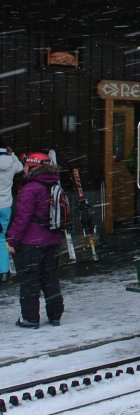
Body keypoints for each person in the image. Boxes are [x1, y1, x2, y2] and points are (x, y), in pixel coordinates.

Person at [6, 152, 64, 328]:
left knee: (30, 279)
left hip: (33, 242)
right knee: (50, 278)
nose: (23, 169)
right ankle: (55, 315)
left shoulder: (30, 189)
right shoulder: (55, 184)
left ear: (33, 167)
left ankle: (30, 318)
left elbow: (22, 218)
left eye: (25, 166)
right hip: (53, 239)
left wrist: (12, 240)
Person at [0, 139, 24, 284]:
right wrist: (13, 154)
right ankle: (3, 272)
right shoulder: (12, 164)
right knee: (2, 239)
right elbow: (21, 167)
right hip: (5, 206)